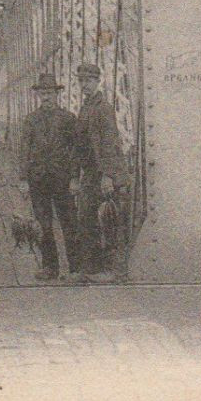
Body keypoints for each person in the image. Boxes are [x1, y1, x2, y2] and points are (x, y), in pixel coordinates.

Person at [17, 72, 80, 282]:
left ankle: (75, 268)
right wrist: (23, 179)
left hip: (62, 179)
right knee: (44, 225)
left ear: (57, 94)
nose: (46, 97)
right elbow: (24, 150)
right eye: (43, 93)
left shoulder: (68, 119)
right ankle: (50, 267)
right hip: (38, 180)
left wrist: (74, 178)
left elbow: (75, 151)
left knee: (69, 223)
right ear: (38, 95)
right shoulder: (30, 120)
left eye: (50, 93)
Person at [74, 61, 130, 282]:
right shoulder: (87, 106)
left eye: (88, 80)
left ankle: (113, 270)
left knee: (108, 221)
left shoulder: (103, 108)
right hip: (90, 173)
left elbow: (110, 142)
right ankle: (94, 269)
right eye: (81, 81)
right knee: (87, 219)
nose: (84, 85)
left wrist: (108, 175)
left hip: (103, 174)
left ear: (98, 81)